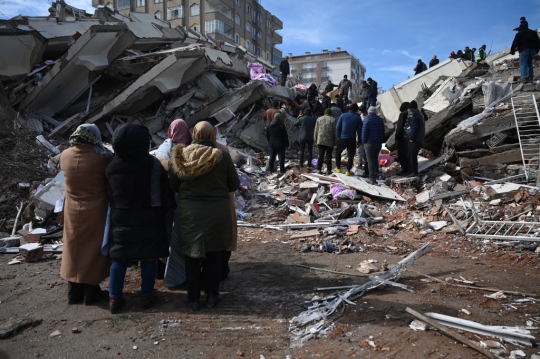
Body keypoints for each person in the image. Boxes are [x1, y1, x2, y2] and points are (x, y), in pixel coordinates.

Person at [169, 121, 240, 311]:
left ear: (194, 134)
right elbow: (233, 184)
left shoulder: (181, 155)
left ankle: (192, 299)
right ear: (212, 135)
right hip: (217, 211)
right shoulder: (222, 156)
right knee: (215, 255)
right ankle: (212, 296)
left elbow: (173, 185)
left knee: (191, 256)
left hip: (190, 213)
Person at [106, 124, 175, 314]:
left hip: (121, 216)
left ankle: (114, 297)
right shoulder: (152, 164)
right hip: (148, 216)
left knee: (119, 257)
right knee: (148, 256)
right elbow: (163, 191)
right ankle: (146, 295)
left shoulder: (112, 165)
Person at [60, 124, 111, 305]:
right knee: (92, 251)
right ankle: (91, 291)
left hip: (72, 209)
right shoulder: (102, 157)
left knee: (73, 249)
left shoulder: (64, 155)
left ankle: (74, 292)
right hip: (97, 208)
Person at [154, 119, 192, 290]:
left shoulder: (163, 150)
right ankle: (180, 272)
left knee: (167, 234)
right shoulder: (192, 150)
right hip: (183, 201)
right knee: (179, 237)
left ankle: (164, 272)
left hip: (166, 200)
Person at [335, 103, 362, 176]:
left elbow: (338, 127)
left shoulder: (343, 115)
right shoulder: (358, 118)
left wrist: (339, 136)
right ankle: (348, 171)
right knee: (351, 155)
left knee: (338, 152)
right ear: (356, 110)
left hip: (343, 138)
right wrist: (359, 141)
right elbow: (359, 131)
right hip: (352, 139)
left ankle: (338, 168)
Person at [362, 107, 386, 185]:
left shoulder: (367, 119)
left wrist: (363, 141)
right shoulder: (380, 119)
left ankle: (372, 179)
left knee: (370, 161)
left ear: (369, 112)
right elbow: (383, 131)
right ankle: (375, 175)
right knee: (375, 159)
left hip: (369, 143)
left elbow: (364, 131)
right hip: (378, 143)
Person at [403, 101, 425, 176]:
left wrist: (411, 138)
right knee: (413, 155)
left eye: (408, 109)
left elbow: (414, 127)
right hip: (419, 138)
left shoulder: (413, 114)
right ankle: (412, 171)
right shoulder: (419, 114)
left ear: (410, 108)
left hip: (414, 139)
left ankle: (413, 172)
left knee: (412, 155)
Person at [314, 108, 337, 175]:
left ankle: (318, 169)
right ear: (330, 113)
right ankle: (328, 170)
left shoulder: (319, 119)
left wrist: (315, 139)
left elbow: (316, 130)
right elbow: (334, 132)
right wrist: (335, 142)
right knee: (329, 156)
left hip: (320, 140)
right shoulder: (333, 120)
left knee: (320, 155)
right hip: (329, 141)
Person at [394, 102, 411, 176]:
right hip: (411, 138)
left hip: (402, 139)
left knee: (402, 155)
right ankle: (410, 169)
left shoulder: (403, 114)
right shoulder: (413, 114)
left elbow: (399, 127)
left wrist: (396, 137)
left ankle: (404, 170)